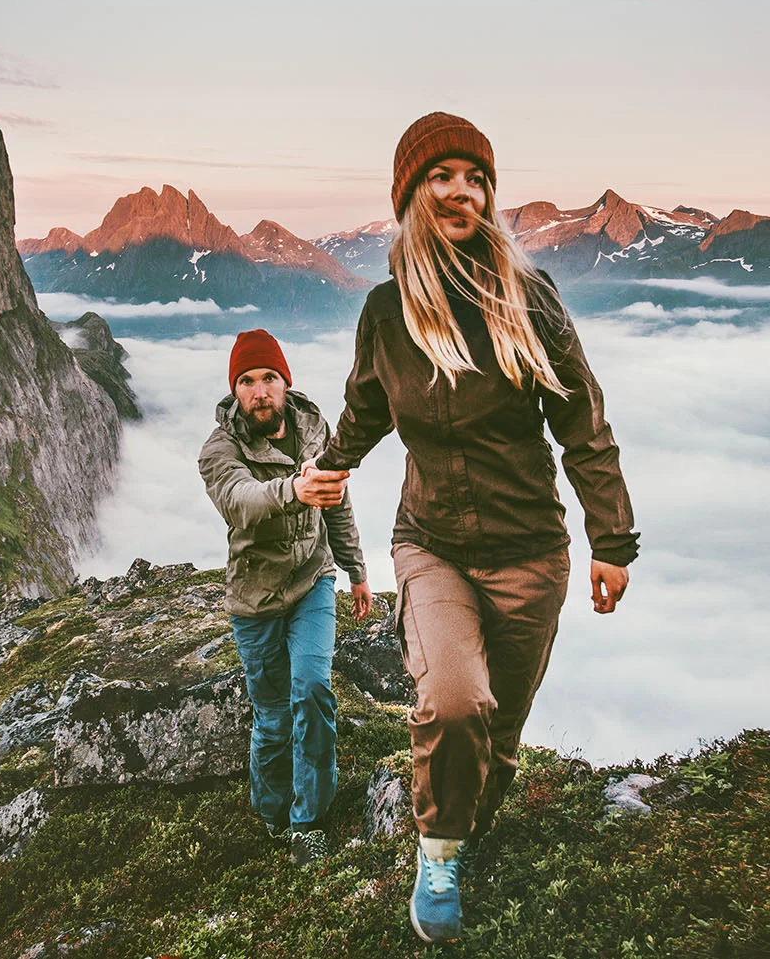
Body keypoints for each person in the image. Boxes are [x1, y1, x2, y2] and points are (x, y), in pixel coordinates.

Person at [300, 112, 638, 942]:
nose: (462, 191)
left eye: (475, 178)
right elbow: (367, 405)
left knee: (501, 729)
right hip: (433, 543)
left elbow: (582, 423)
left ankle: (470, 817)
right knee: (455, 703)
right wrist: (327, 464)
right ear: (412, 197)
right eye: (441, 177)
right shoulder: (387, 312)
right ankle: (439, 848)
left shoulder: (529, 298)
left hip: (531, 552)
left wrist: (613, 541)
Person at [198, 329, 372, 865]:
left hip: (313, 582)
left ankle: (308, 821)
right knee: (272, 716)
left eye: (269, 378)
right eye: (246, 381)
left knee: (313, 689)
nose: (259, 391)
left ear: (285, 382)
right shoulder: (218, 449)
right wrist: (294, 490)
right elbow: (240, 501)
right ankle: (272, 812)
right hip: (254, 599)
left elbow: (335, 499)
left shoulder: (314, 428)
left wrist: (356, 569)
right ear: (235, 391)